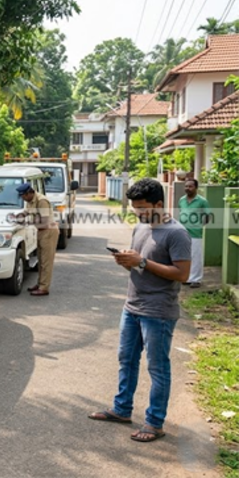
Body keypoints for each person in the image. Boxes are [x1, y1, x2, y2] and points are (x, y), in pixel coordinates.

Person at [89, 178, 190, 443]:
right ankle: (121, 409)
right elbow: (139, 263)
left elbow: (182, 273)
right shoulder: (141, 227)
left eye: (144, 208)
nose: (139, 213)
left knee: (157, 368)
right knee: (126, 359)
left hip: (158, 311)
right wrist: (127, 261)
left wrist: (142, 262)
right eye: (135, 209)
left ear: (159, 203)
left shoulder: (176, 233)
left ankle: (155, 423)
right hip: (132, 305)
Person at [17, 183, 59, 296]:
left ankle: (44, 287)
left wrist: (26, 222)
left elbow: (44, 223)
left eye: (23, 196)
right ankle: (40, 283)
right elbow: (27, 211)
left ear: (29, 193)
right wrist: (19, 216)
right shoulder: (30, 201)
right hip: (41, 232)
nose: (23, 199)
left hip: (48, 232)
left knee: (46, 262)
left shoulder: (42, 201)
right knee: (40, 261)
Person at [178, 179, 210, 288]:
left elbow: (207, 216)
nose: (187, 188)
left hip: (196, 233)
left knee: (196, 256)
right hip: (183, 232)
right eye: (186, 186)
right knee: (185, 256)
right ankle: (187, 278)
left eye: (190, 186)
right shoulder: (182, 200)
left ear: (196, 188)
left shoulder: (202, 201)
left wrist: (199, 225)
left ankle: (196, 279)